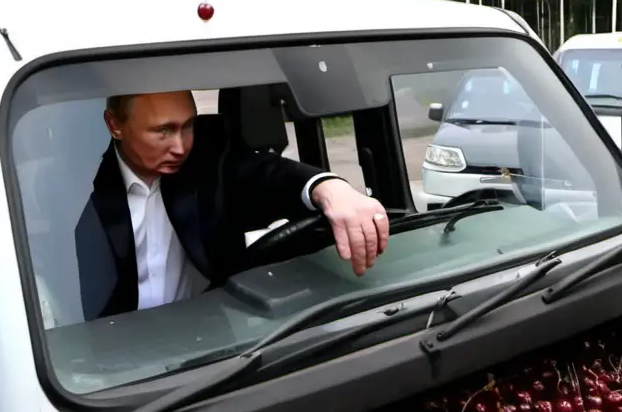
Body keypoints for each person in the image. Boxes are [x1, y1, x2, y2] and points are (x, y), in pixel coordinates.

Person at [74, 89, 391, 318]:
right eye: (164, 130)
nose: (181, 145)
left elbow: (265, 173)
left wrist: (330, 188)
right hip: (112, 357)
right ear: (115, 125)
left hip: (210, 342)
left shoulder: (207, 158)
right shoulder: (76, 186)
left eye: (188, 126)